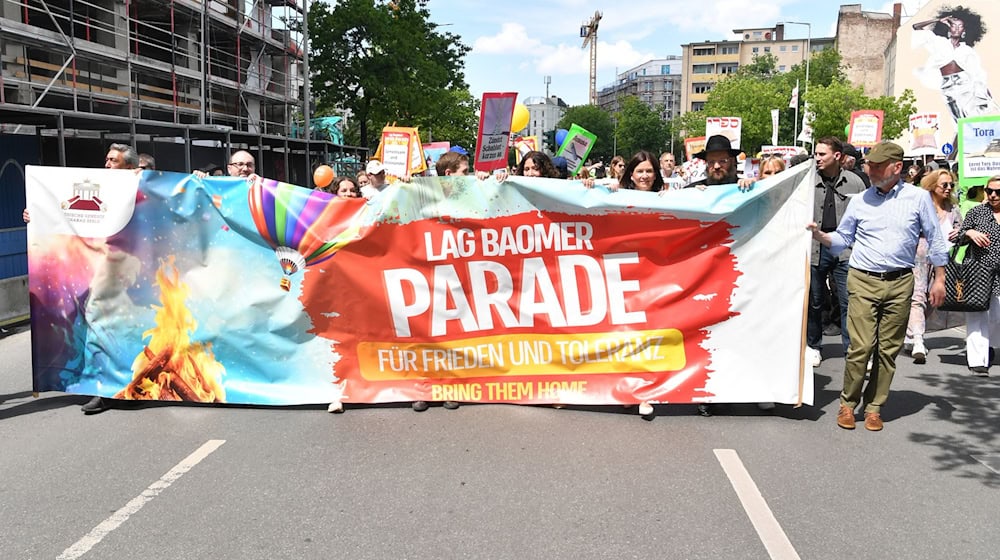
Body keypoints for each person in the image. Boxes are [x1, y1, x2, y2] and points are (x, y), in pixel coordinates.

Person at [810, 141, 948, 431]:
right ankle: (848, 403)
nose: (868, 169)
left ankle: (874, 407)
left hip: (900, 283)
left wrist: (939, 279)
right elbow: (843, 239)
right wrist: (822, 236)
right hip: (863, 279)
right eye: (868, 164)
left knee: (888, 350)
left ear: (897, 168)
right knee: (860, 346)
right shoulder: (860, 200)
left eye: (876, 165)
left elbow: (935, 239)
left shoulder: (918, 199)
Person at [24, 143, 140, 414]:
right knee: (92, 328)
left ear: (129, 167)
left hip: (125, 271)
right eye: (107, 160)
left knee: (115, 329)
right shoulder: (96, 187)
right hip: (93, 271)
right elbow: (61, 214)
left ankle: (120, 386)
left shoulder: (140, 188)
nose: (108, 164)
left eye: (114, 161)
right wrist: (36, 216)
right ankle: (103, 388)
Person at [806, 137, 866, 367]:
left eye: (822, 154)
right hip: (815, 247)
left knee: (848, 300)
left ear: (837, 156)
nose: (817, 158)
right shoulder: (808, 181)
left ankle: (851, 346)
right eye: (816, 154)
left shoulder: (855, 183)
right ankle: (813, 345)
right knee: (815, 300)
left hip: (845, 249)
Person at [906, 169, 962, 364]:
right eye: (944, 185)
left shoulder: (952, 208)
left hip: (943, 258)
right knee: (918, 295)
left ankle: (910, 332)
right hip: (920, 255)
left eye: (951, 185)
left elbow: (959, 228)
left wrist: (958, 233)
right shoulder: (921, 204)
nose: (948, 189)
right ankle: (919, 340)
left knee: (933, 300)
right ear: (932, 185)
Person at [912, 6, 999, 125]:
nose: (957, 28)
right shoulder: (939, 43)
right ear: (949, 28)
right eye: (954, 25)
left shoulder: (967, 50)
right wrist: (938, 20)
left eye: (960, 26)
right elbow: (916, 27)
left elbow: (977, 73)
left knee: (969, 117)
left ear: (964, 31)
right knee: (957, 120)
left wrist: (987, 94)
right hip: (946, 85)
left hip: (964, 83)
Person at [956, 175, 1000, 376]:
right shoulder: (977, 212)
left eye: (998, 192)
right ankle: (977, 360)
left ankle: (988, 345)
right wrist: (969, 233)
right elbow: (959, 237)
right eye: (989, 191)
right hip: (978, 271)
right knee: (976, 315)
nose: (992, 195)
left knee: (996, 318)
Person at [685, 135, 757, 190]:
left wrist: (753, 186)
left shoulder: (745, 187)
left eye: (723, 161)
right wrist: (692, 195)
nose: (716, 166)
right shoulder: (694, 189)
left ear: (733, 161)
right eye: (711, 162)